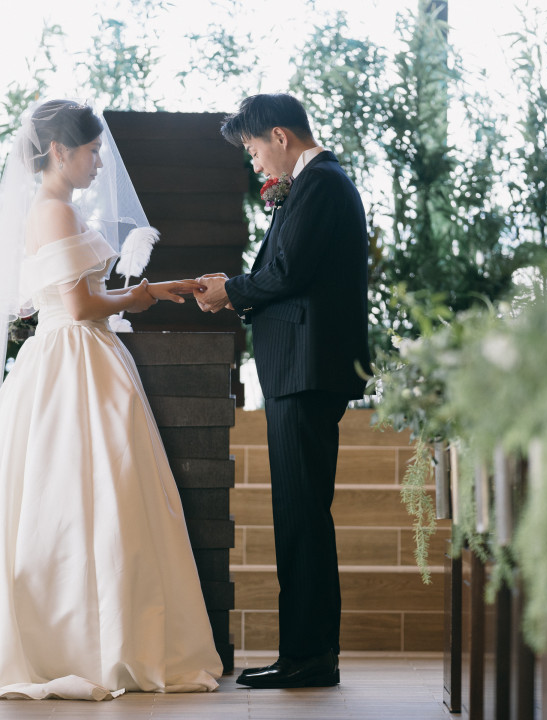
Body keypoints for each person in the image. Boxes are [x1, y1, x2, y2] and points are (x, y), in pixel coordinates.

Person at [0, 99, 222, 701]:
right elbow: (79, 307)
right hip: (72, 360)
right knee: (77, 498)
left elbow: (68, 296)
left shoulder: (59, 210)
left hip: (84, 356)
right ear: (59, 151)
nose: (99, 160)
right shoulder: (53, 211)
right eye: (91, 150)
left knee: (98, 501)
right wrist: (138, 300)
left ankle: (99, 638)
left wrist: (147, 289)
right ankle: (80, 643)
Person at [194, 93, 371, 689]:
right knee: (300, 514)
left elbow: (287, 272)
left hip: (307, 370)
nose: (254, 163)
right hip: (300, 369)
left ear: (280, 136)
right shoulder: (314, 182)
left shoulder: (321, 184)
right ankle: (308, 651)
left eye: (252, 149)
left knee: (301, 515)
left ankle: (309, 655)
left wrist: (231, 291)